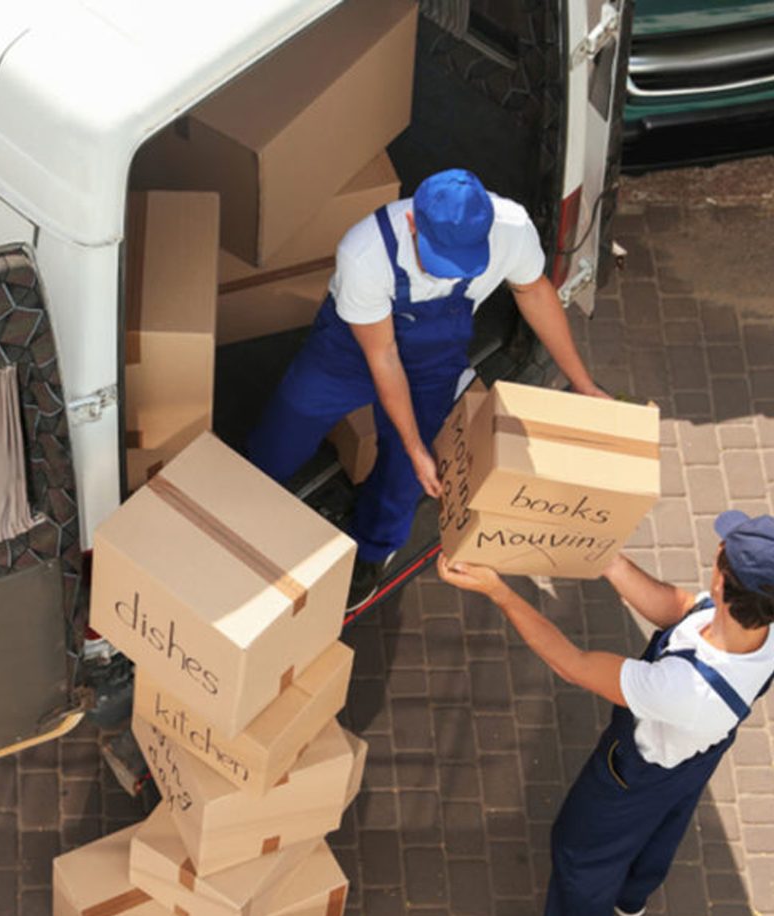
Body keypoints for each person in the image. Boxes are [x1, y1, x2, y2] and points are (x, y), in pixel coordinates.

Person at [437, 511, 774, 916]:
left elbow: (572, 665)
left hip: (634, 774)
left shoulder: (682, 689)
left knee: (580, 856)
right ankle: (633, 893)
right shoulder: (756, 625)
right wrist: (608, 562)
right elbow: (678, 607)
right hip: (693, 756)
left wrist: (500, 592)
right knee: (663, 825)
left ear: (722, 581)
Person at [247, 168, 606, 612]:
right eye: (436, 258)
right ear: (413, 222)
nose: (446, 273)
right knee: (287, 426)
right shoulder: (366, 252)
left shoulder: (511, 229)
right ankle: (243, 500)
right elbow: (383, 357)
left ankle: (373, 551)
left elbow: (533, 291)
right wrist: (417, 442)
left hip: (431, 362)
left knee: (406, 473)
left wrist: (583, 383)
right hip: (351, 349)